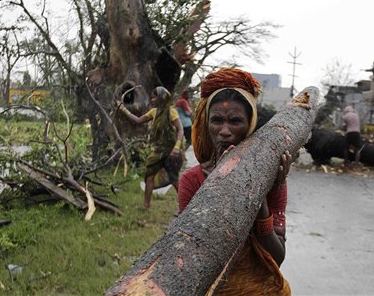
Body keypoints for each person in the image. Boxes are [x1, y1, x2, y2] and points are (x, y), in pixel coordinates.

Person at [178, 68, 292, 294]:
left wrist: (258, 194)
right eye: (217, 121)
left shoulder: (272, 178)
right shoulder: (191, 180)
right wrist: (221, 184)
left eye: (236, 121)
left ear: (250, 126)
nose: (225, 131)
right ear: (206, 125)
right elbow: (188, 257)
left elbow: (277, 258)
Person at [117, 86, 184, 210]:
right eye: (152, 97)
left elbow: (180, 130)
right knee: (149, 176)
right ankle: (146, 206)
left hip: (171, 151)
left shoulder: (171, 111)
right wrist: (123, 109)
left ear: (162, 98)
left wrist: (177, 147)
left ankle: (185, 207)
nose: (152, 99)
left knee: (174, 179)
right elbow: (138, 120)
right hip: (158, 151)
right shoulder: (154, 112)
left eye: (154, 97)